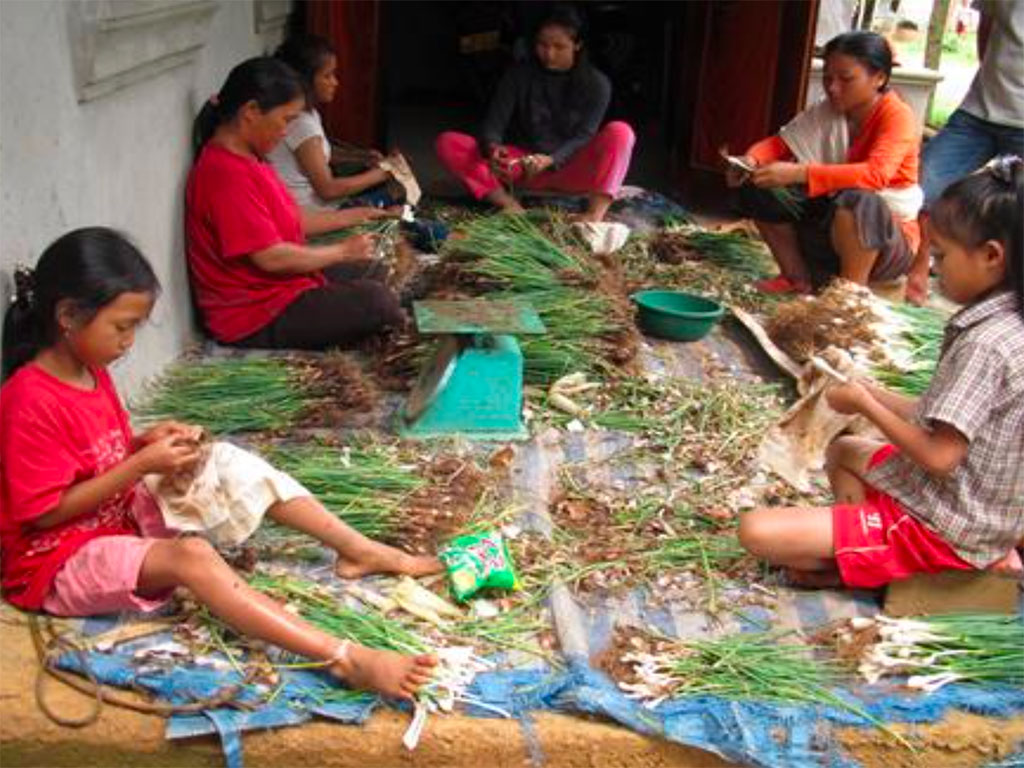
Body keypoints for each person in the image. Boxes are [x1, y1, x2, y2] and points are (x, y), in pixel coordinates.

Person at [0, 228, 439, 699]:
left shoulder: (92, 371)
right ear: (68, 315)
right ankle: (345, 658)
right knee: (192, 557)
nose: (128, 341)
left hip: (113, 516)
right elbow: (44, 514)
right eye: (121, 326)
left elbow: (92, 454)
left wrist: (144, 443)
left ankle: (360, 549)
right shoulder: (27, 401)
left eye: (135, 328)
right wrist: (139, 465)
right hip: (53, 559)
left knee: (227, 463)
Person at [738, 157, 1024, 590]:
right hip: (962, 504)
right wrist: (871, 391)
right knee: (845, 451)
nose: (932, 267)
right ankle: (863, 557)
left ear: (991, 256)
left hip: (947, 526)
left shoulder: (986, 344)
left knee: (756, 532)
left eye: (941, 255)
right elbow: (939, 416)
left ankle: (894, 565)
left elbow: (940, 457)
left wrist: (866, 404)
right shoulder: (1003, 322)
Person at [187, 57, 403, 351]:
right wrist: (341, 251)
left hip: (283, 286)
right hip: (252, 315)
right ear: (251, 111)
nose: (286, 131)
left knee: (374, 270)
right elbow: (271, 258)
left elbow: (292, 218)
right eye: (285, 119)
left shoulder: (251, 158)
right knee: (377, 302)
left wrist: (357, 216)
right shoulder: (224, 174)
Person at [729, 31, 921, 295]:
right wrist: (750, 160)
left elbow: (876, 175)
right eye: (828, 78)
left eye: (846, 79)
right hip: (833, 226)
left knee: (859, 201)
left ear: (879, 78)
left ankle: (847, 296)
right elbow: (779, 145)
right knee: (759, 185)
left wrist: (799, 172)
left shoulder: (897, 116)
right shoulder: (827, 110)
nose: (833, 88)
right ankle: (795, 277)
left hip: (886, 240)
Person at [435, 4, 635, 222]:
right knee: (449, 142)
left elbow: (584, 135)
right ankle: (508, 204)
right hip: (522, 168)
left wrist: (551, 159)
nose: (549, 54)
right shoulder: (517, 76)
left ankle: (593, 215)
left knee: (621, 132)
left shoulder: (597, 84)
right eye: (542, 45)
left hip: (573, 170)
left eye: (559, 47)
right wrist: (494, 148)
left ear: (577, 45)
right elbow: (493, 125)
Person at [906, 0, 1023, 305]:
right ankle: (918, 270)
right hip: (978, 111)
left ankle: (1002, 303)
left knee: (1016, 215)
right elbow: (986, 27)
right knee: (923, 185)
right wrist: (988, 77)